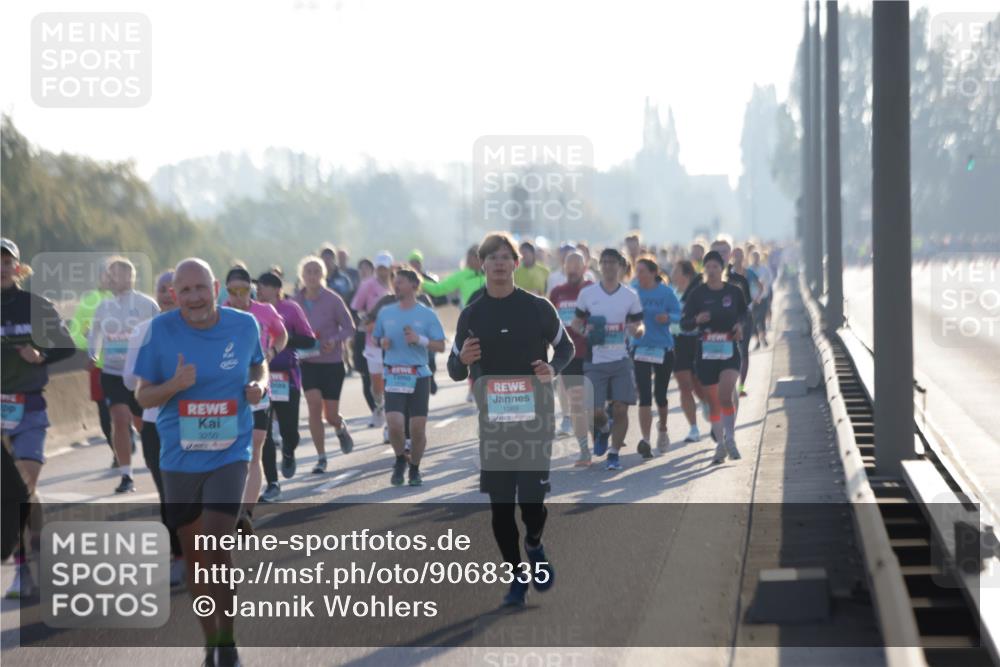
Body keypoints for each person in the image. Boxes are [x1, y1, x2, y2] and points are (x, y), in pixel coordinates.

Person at [134, 258, 265, 667]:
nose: (194, 298)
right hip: (180, 457)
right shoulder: (159, 330)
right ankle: (211, 643)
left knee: (216, 545)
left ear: (215, 289)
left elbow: (258, 363)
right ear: (175, 294)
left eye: (200, 288)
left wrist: (259, 385)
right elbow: (143, 395)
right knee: (195, 558)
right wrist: (174, 385)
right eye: (185, 290)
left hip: (230, 451)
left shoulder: (244, 325)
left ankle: (228, 644)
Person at [448, 232, 573, 608]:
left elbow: (565, 348)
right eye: (492, 258)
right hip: (494, 423)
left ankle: (534, 543)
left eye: (506, 257)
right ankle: (517, 578)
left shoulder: (537, 308)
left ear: (516, 263)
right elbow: (454, 368)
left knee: (532, 503)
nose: (499, 263)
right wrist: (463, 359)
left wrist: (551, 368)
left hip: (535, 419)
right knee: (501, 509)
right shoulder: (472, 314)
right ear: (482, 264)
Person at [1, 238, 76, 598]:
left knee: (22, 484)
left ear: (18, 267)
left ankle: (27, 568)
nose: (1, 268)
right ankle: (29, 559)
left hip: (29, 408)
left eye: (7, 262)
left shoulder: (35, 305)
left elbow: (66, 345)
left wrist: (40, 354)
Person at [123, 270, 186, 586]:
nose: (168, 293)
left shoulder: (203, 329)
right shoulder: (143, 331)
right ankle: (179, 555)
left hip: (197, 420)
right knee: (168, 491)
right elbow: (129, 380)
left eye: (175, 288)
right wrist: (161, 381)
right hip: (155, 423)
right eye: (163, 288)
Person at [222, 267, 288, 530]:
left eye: (244, 290)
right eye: (233, 291)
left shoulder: (265, 311)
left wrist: (272, 351)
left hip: (258, 384)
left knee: (255, 447)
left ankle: (246, 514)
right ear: (226, 291)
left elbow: (281, 334)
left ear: (251, 289)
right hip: (228, 389)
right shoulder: (219, 314)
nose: (238, 296)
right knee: (229, 452)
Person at [88, 256, 160, 493]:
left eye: (118, 274)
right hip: (111, 372)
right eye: (111, 275)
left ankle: (155, 462)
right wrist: (92, 355)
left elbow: (160, 333)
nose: (113, 279)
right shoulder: (103, 307)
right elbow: (94, 334)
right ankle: (126, 475)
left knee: (142, 425)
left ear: (131, 276)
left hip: (140, 375)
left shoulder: (146, 304)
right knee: (119, 419)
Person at [572, 248, 644, 471]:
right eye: (604, 262)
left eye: (612, 262)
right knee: (595, 411)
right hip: (595, 360)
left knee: (621, 408)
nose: (608, 266)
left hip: (621, 359)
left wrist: (636, 330)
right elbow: (576, 322)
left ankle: (614, 454)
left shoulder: (630, 295)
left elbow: (640, 324)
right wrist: (585, 331)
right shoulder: (588, 294)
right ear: (599, 265)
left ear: (621, 266)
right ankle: (603, 429)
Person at [373, 269, 446, 487]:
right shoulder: (386, 312)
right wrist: (382, 343)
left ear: (414, 285)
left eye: (401, 282)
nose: (396, 286)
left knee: (417, 429)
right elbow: (376, 338)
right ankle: (399, 459)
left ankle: (414, 467)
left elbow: (441, 345)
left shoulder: (427, 314)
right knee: (394, 425)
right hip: (394, 374)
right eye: (395, 283)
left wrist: (419, 339)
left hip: (419, 375)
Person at [680, 250, 747, 464]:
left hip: (729, 349)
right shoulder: (697, 294)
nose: (711, 271)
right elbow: (684, 323)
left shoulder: (733, 292)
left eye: (715, 267)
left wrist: (739, 326)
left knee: (726, 394)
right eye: (707, 267)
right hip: (706, 351)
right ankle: (720, 445)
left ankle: (731, 439)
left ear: (722, 269)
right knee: (713, 401)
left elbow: (744, 314)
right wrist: (696, 320)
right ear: (703, 269)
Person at [256, 271, 316, 498]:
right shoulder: (253, 310)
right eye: (257, 286)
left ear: (276, 288)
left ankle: (289, 451)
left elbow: (309, 340)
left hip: (286, 376)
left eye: (262, 286)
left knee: (289, 431)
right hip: (260, 377)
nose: (258, 290)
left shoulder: (291, 309)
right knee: (264, 432)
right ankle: (272, 482)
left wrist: (281, 337)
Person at [294, 256, 356, 474]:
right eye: (308, 272)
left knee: (330, 415)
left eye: (316, 272)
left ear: (323, 275)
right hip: (307, 362)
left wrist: (334, 340)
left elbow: (349, 327)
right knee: (313, 405)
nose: (312, 276)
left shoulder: (333, 299)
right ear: (302, 275)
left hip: (331, 363)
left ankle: (339, 427)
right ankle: (321, 457)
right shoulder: (295, 302)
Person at [630, 256, 682, 456]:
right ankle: (645, 440)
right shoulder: (633, 291)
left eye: (642, 271)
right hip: (641, 347)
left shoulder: (666, 292)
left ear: (653, 273)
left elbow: (679, 314)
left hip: (663, 348)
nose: (638, 275)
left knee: (660, 395)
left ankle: (663, 429)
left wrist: (668, 317)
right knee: (644, 395)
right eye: (637, 271)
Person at [547, 251, 594, 465]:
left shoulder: (593, 290)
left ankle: (599, 432)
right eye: (569, 265)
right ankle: (584, 450)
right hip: (568, 354)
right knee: (576, 403)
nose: (573, 270)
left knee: (593, 404)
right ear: (564, 268)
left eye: (577, 265)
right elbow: (548, 324)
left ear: (585, 268)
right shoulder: (557, 293)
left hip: (593, 353)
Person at [67, 262, 115, 465]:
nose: (111, 278)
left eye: (115, 274)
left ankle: (126, 436)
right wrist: (93, 344)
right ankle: (116, 450)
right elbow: (75, 333)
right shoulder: (89, 301)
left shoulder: (129, 300)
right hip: (99, 366)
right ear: (99, 277)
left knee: (126, 408)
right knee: (104, 411)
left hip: (126, 365)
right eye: (107, 274)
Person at [352, 252, 394, 439]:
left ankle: (389, 425)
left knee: (391, 383)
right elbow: (356, 309)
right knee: (377, 384)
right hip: (373, 342)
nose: (382, 271)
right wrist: (365, 323)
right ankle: (379, 406)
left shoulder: (396, 284)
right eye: (379, 268)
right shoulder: (368, 285)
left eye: (385, 268)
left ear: (390, 268)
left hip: (393, 344)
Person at [670, 260, 707, 443]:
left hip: (697, 341)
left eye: (675, 270)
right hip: (677, 342)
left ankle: (707, 403)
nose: (672, 274)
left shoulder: (698, 293)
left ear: (686, 274)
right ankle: (693, 428)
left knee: (699, 384)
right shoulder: (671, 294)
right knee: (684, 386)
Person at [711, 239, 752, 403]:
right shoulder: (701, 282)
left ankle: (740, 387)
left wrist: (739, 324)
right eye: (717, 252)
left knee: (741, 356)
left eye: (724, 252)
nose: (721, 255)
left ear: (730, 255)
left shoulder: (739, 280)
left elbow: (746, 308)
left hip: (736, 329)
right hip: (712, 334)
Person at [420, 244, 486, 308]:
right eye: (475, 256)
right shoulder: (461, 275)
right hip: (471, 314)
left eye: (480, 256)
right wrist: (420, 282)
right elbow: (438, 289)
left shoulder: (489, 273)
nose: (478, 259)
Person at [748, 250, 773, 349]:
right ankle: (757, 340)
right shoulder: (749, 270)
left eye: (757, 256)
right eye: (754, 257)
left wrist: (764, 286)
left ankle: (763, 338)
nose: (756, 259)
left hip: (763, 297)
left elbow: (769, 280)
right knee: (754, 320)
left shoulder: (764, 269)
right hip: (752, 299)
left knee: (762, 319)